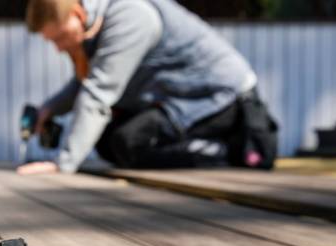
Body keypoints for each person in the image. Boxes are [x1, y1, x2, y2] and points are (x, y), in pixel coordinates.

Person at [17, 0, 278, 175]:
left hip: (220, 96)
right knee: (109, 141)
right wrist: (48, 110)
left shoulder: (130, 16)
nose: (59, 48)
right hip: (179, 99)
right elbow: (84, 84)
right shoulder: (96, 24)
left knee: (127, 142)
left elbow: (98, 94)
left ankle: (230, 150)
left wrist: (63, 167)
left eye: (60, 37)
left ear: (77, 14)